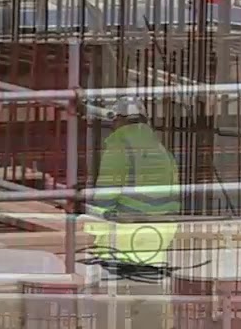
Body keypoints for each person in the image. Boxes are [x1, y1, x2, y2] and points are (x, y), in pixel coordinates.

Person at [86, 98, 179, 329]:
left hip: (123, 238)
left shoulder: (120, 146)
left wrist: (92, 230)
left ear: (118, 120)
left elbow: (106, 195)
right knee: (147, 297)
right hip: (157, 237)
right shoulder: (162, 150)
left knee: (109, 301)